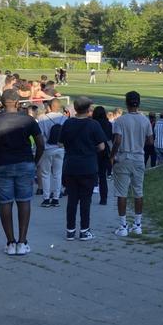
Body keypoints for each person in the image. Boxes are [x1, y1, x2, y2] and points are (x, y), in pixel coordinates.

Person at [0, 89, 45, 256]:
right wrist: (34, 161)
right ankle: (22, 242)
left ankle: (10, 242)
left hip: (2, 164)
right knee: (24, 201)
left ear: (2, 104)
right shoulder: (28, 120)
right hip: (24, 162)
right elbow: (40, 144)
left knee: (5, 203)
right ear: (18, 103)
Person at [59, 97, 107, 240]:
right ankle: (84, 230)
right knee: (86, 200)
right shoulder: (93, 125)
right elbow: (102, 146)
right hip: (88, 166)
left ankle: (70, 230)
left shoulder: (67, 123)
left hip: (71, 165)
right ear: (88, 110)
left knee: (72, 200)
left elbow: (60, 143)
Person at [110, 91, 153, 236]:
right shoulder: (145, 120)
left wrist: (112, 155)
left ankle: (123, 226)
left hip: (123, 157)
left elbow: (118, 140)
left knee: (121, 193)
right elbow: (150, 141)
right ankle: (138, 224)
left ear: (126, 103)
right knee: (138, 192)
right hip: (138, 158)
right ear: (139, 103)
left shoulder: (120, 120)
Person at [37, 98, 68, 208]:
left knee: (45, 174)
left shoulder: (42, 118)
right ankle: (56, 198)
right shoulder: (64, 118)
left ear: (49, 106)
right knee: (57, 174)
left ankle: (46, 198)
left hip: (47, 148)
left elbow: (40, 135)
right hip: (60, 148)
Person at [92, 106, 112, 205]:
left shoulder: (92, 123)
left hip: (93, 150)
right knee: (102, 175)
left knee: (91, 174)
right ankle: (103, 198)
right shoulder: (108, 124)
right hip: (105, 152)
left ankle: (87, 195)